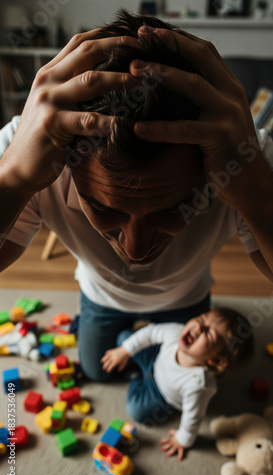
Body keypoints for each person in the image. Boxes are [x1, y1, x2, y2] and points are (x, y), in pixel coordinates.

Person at [0, 10, 272, 382]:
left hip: (185, 297)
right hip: (102, 295)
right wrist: (13, 179)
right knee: (96, 371)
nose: (136, 249)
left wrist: (256, 193)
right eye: (102, 208)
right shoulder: (30, 145)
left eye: (173, 208)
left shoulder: (244, 158)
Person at [101, 307, 253, 460]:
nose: (198, 327)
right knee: (124, 338)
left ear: (215, 360)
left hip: (161, 395)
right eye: (201, 319)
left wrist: (183, 440)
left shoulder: (198, 386)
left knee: (137, 411)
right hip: (154, 360)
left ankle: (135, 376)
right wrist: (124, 350)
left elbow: (193, 417)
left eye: (208, 333)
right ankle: (134, 365)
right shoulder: (177, 331)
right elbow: (151, 333)